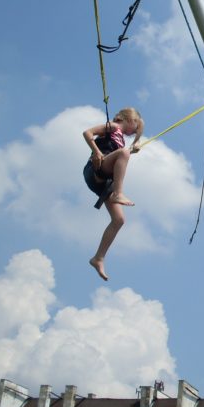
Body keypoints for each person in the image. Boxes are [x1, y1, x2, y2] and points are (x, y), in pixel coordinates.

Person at [83, 107, 144, 281]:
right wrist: (96, 151)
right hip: (95, 169)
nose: (134, 133)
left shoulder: (121, 141)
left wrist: (132, 149)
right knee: (124, 153)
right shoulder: (112, 126)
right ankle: (118, 193)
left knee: (119, 220)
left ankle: (98, 258)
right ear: (129, 119)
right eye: (136, 127)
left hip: (104, 180)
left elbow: (118, 155)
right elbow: (87, 133)